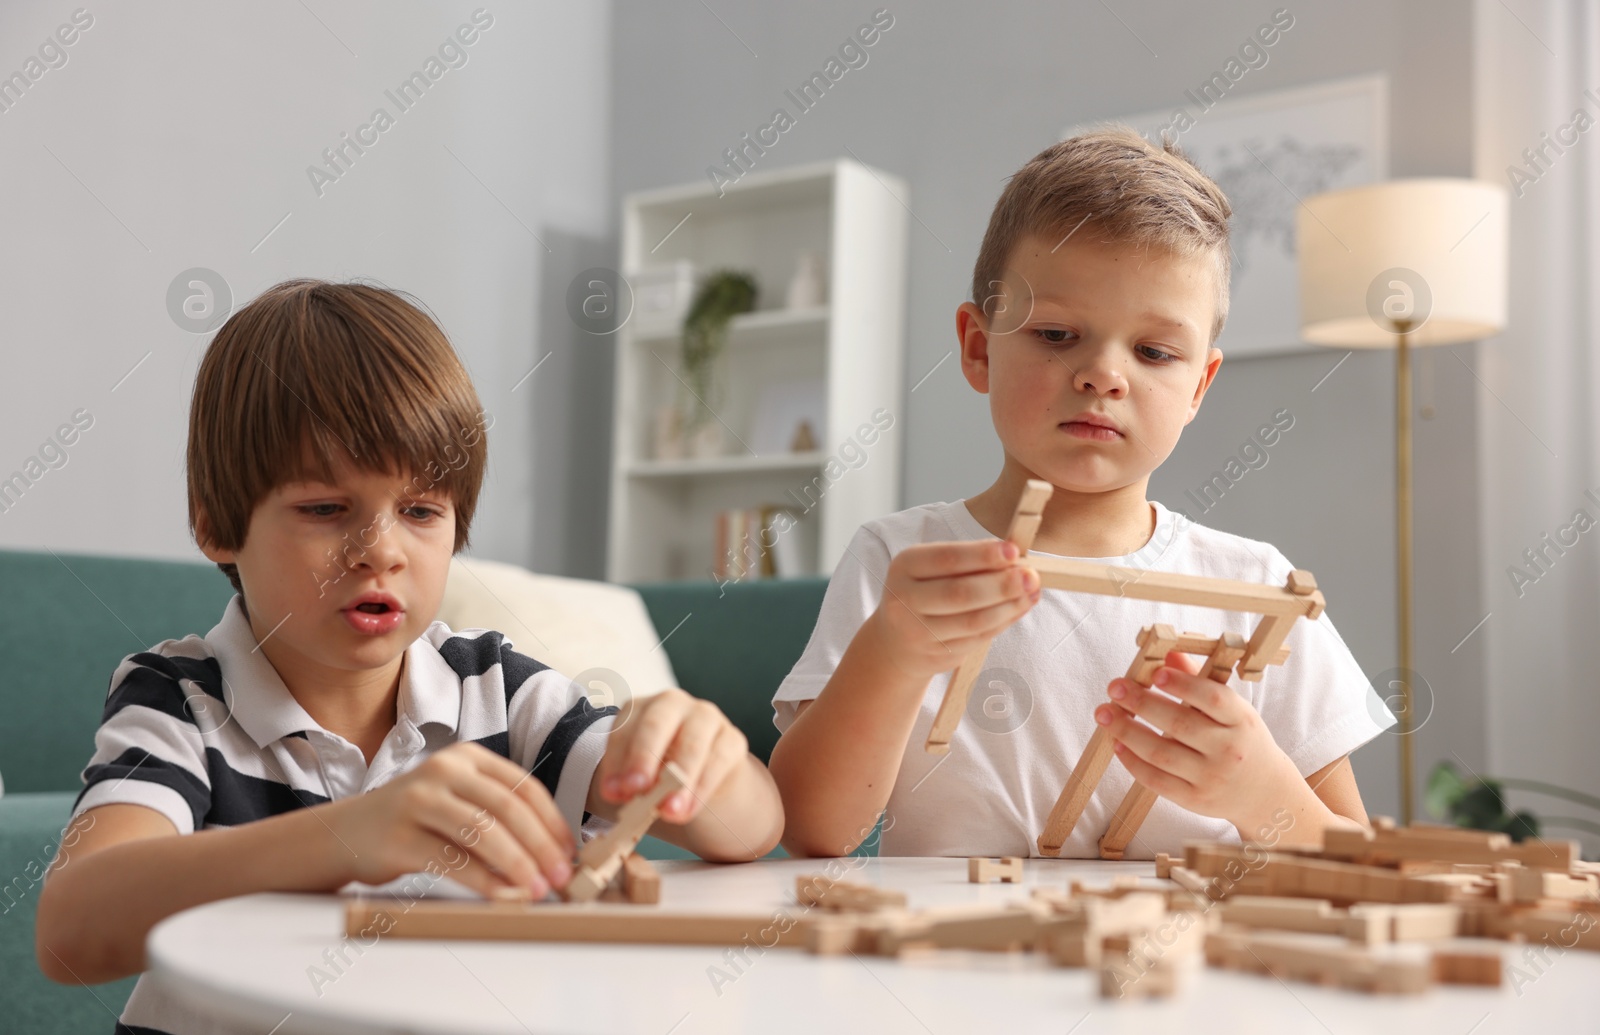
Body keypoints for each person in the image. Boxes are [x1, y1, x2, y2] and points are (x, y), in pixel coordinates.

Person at [36, 279, 783, 1032]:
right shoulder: (179, 699)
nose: (381, 551)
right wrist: (348, 836)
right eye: (326, 509)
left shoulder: (500, 692)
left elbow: (751, 828)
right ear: (216, 526)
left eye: (422, 510)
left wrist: (698, 756)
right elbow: (72, 931)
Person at [768, 126, 1395, 859]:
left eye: (1154, 351)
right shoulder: (902, 562)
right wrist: (891, 652)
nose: (1103, 375)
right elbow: (813, 828)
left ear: (1198, 386)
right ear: (978, 349)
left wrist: (1264, 795)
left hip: (1191, 965)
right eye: (1058, 334)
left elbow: (1351, 857)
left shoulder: (1257, 586)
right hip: (956, 958)